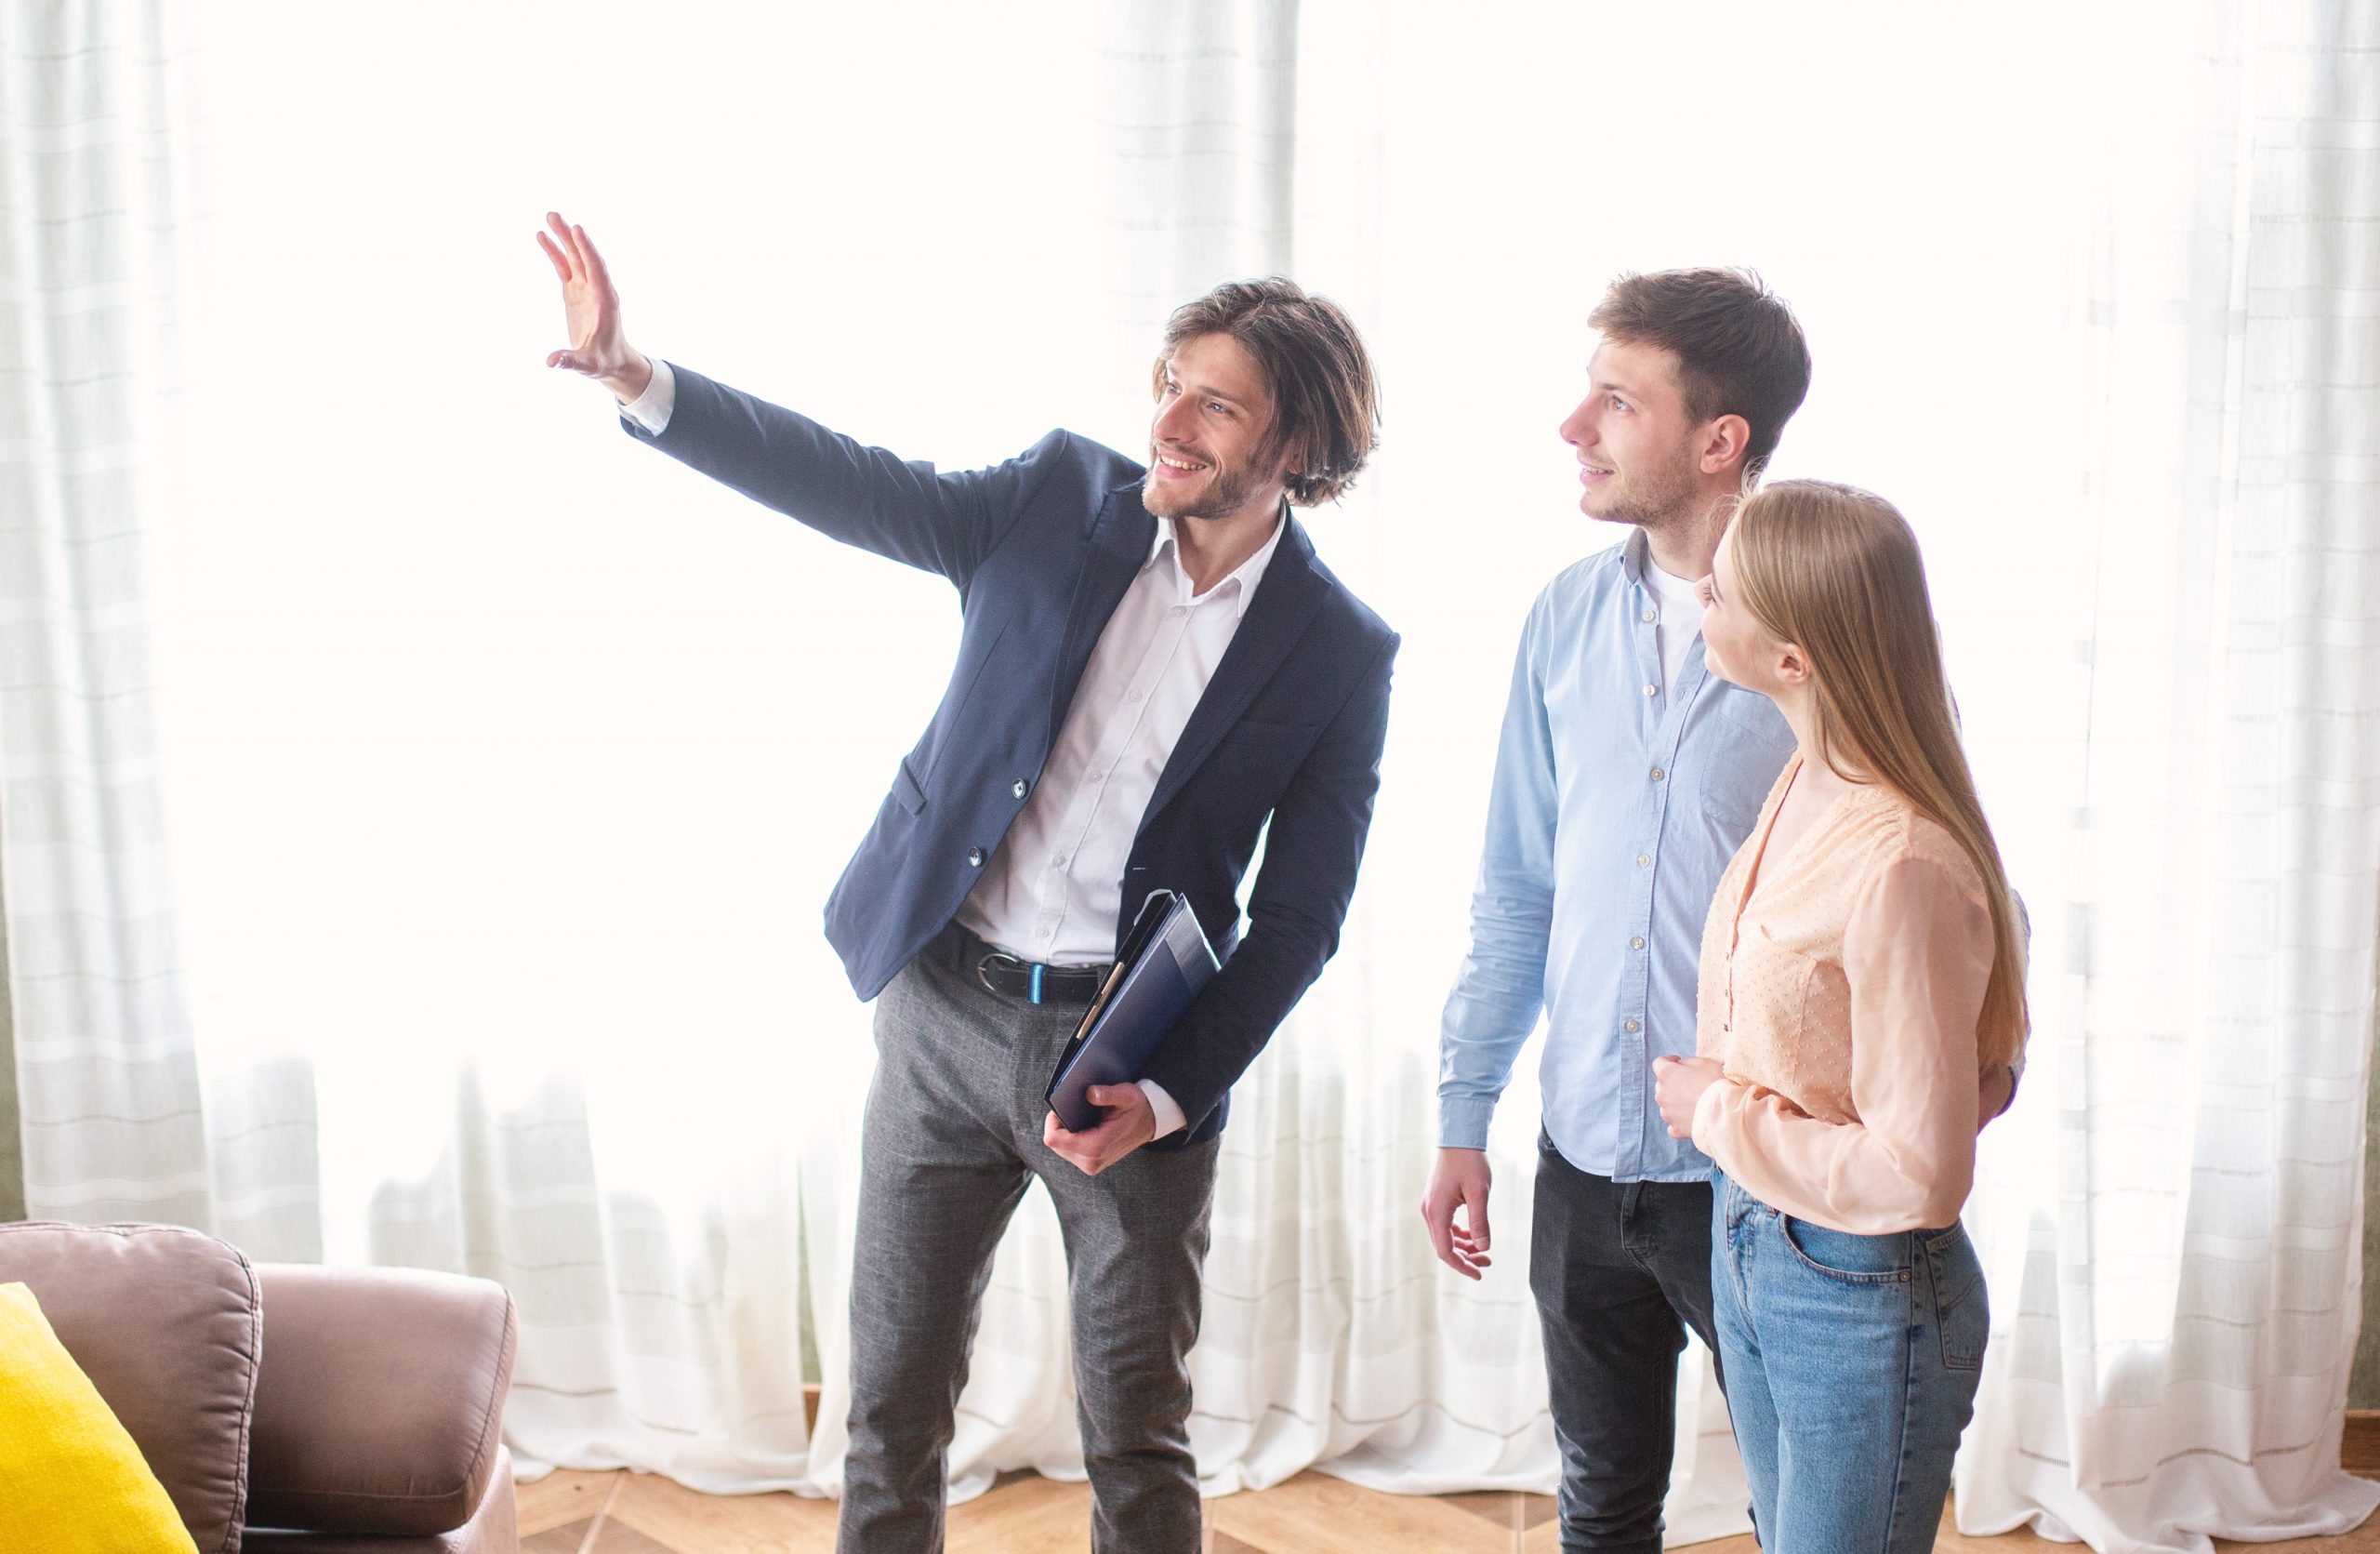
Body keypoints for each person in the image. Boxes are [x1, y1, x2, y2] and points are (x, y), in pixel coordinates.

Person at [537, 212, 1398, 1554]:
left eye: (1215, 404)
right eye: (1169, 381)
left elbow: (1300, 918)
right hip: (942, 1015)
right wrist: (642, 376)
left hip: (1127, 1059)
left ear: (1295, 447)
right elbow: (855, 483)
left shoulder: (1340, 648)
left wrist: (1168, 1092)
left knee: (1135, 1428)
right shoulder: (1056, 497)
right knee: (888, 1405)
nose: (1170, 418)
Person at [1420, 269, 1812, 1553]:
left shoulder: (1828, 622)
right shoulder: (1561, 617)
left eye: (1614, 401)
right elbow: (1517, 886)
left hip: (1761, 1169)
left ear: (1718, 440)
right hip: (1583, 1158)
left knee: (1803, 1504)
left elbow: (1928, 865)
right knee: (1599, 1502)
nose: (1572, 426)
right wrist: (1465, 1111)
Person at [1653, 479, 2030, 1552]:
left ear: (1793, 659)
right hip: (1756, 1241)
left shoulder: (1899, 858)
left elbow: (1919, 1175)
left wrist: (1715, 1109)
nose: (1699, 601)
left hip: (1855, 1287)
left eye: (1718, 595)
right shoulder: (1806, 778)